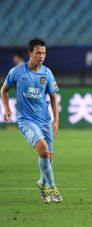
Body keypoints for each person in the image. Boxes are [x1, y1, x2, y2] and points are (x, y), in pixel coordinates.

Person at [1, 37, 62, 203]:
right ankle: (52, 188)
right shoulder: (17, 72)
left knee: (48, 157)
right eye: (38, 53)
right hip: (26, 120)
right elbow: (4, 90)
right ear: (30, 54)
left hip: (44, 120)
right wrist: (7, 109)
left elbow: (54, 97)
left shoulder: (47, 73)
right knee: (43, 151)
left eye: (43, 52)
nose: (41, 56)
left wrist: (55, 121)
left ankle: (42, 184)